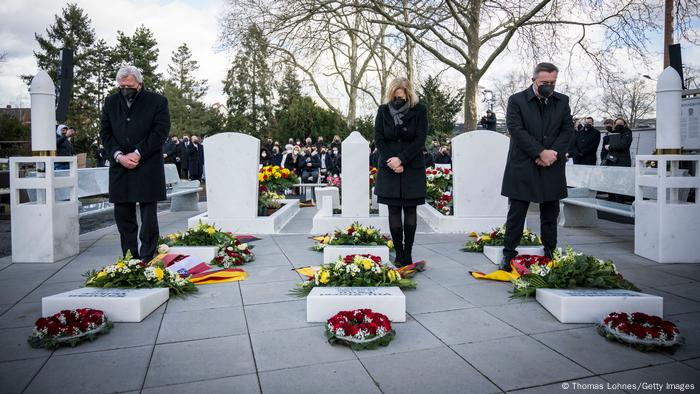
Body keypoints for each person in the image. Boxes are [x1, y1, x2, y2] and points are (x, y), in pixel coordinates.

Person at [500, 62, 574, 271]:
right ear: (534, 80)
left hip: (551, 164)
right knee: (517, 213)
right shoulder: (517, 100)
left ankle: (550, 253)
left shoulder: (562, 101)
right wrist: (540, 152)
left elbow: (567, 130)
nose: (549, 86)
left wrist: (553, 154)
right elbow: (516, 129)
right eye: (544, 82)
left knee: (550, 213)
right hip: (524, 164)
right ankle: (508, 254)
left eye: (552, 82)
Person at [100, 65, 170, 261]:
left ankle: (148, 257)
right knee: (124, 217)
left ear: (139, 84)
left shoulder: (157, 101)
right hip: (120, 166)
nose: (125, 89)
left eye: (129, 85)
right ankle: (130, 258)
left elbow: (160, 132)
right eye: (121, 86)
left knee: (148, 218)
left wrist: (138, 153)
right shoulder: (111, 102)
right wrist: (119, 155)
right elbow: (105, 133)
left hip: (147, 165)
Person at [374, 77, 428, 267]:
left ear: (409, 95)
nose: (399, 101)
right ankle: (399, 253)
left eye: (402, 97)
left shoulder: (420, 110)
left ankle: (408, 253)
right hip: (389, 168)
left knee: (410, 211)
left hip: (411, 167)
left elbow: (420, 139)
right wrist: (392, 161)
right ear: (391, 94)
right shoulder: (382, 111)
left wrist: (402, 159)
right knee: (394, 210)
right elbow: (379, 139)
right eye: (396, 97)